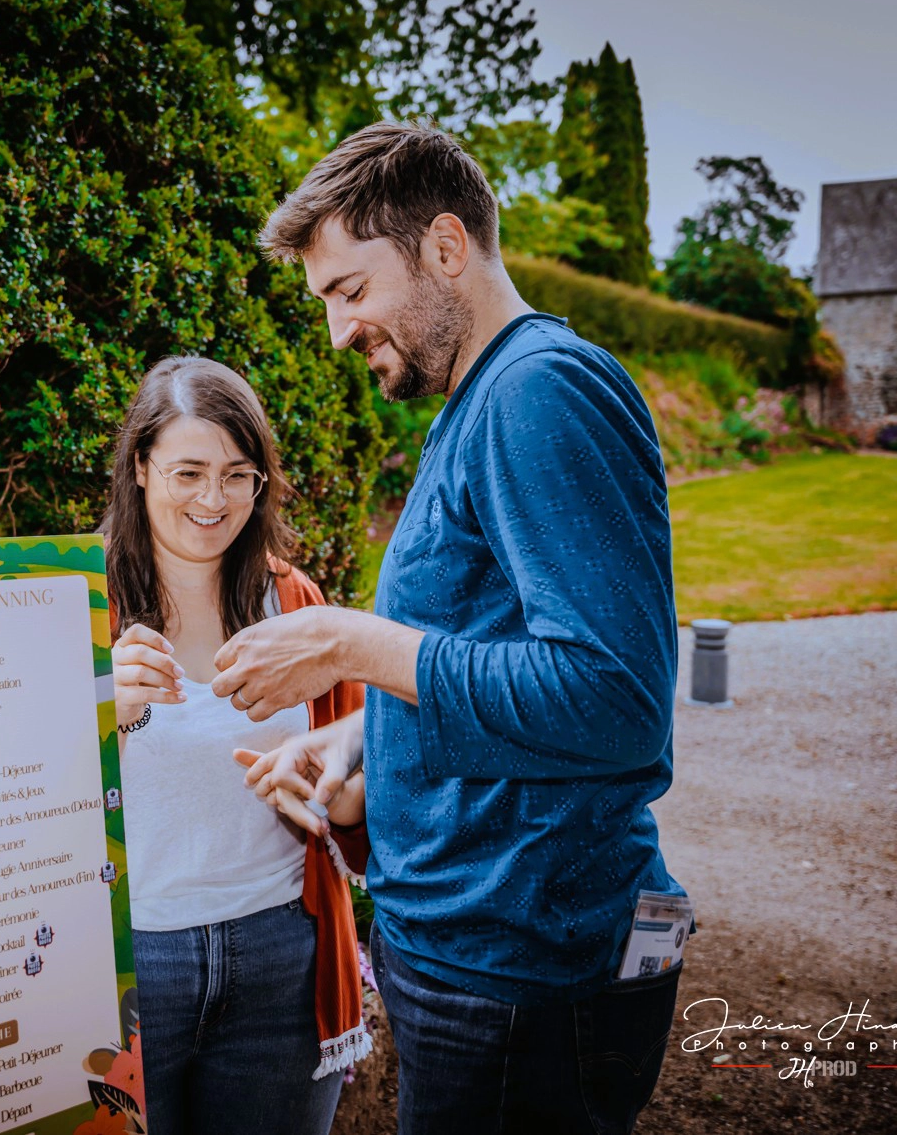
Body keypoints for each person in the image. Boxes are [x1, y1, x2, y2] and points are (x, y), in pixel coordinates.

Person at [213, 121, 690, 1133]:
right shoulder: (477, 402)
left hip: (523, 972)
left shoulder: (539, 391)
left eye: (349, 290)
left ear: (443, 246)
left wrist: (351, 644)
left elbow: (616, 701)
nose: (337, 331)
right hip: (485, 960)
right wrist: (366, 734)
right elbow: (501, 653)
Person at [102, 356, 371, 1135]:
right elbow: (14, 806)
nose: (213, 500)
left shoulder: (294, 601)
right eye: (187, 472)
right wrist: (101, 715)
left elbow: (356, 799)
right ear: (140, 467)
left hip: (282, 956)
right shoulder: (77, 607)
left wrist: (329, 790)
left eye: (236, 475)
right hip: (125, 965)